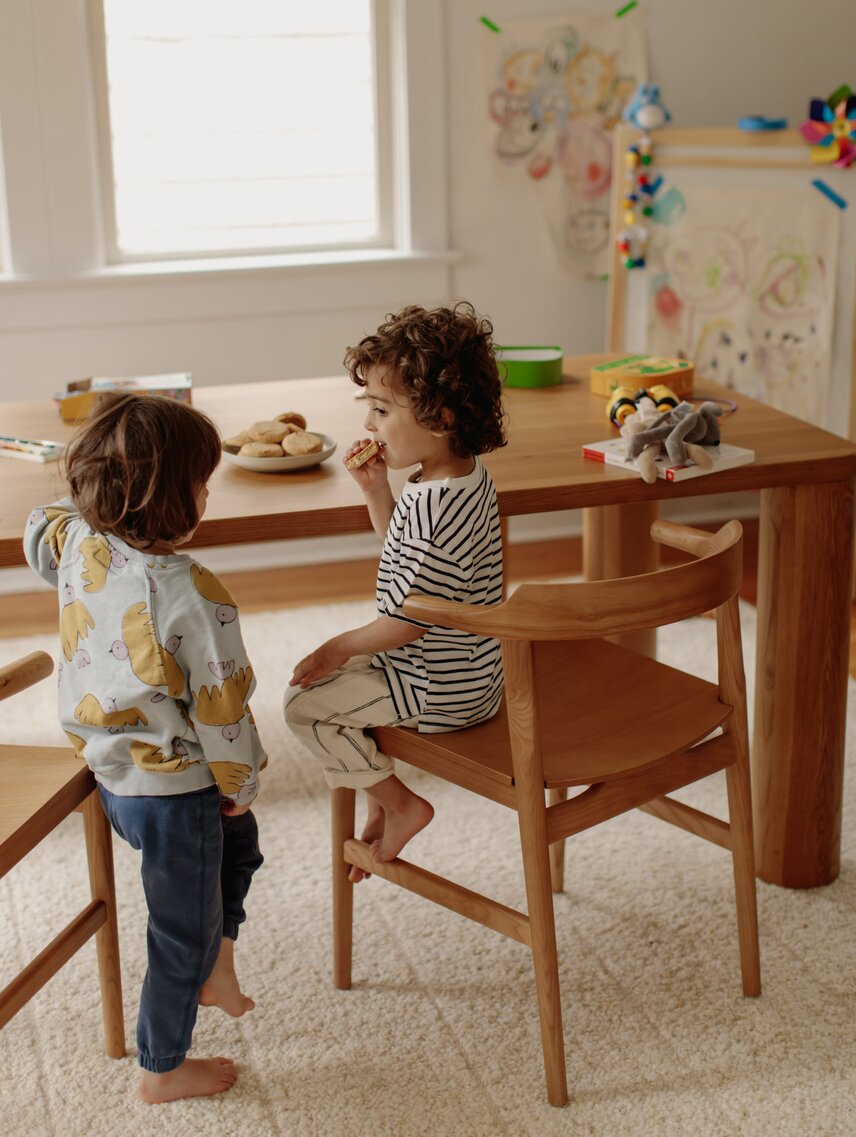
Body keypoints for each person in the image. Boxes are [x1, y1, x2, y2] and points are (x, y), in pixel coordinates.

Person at [23, 392, 266, 1104]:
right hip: (177, 790)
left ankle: (217, 965)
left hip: (111, 774)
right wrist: (239, 782)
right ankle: (162, 1066)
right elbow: (223, 708)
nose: (207, 494)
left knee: (241, 851)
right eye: (203, 482)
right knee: (178, 930)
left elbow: (42, 523)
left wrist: (83, 497)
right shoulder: (192, 593)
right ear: (177, 500)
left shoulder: (79, 544)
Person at [285, 302, 506, 881]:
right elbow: (407, 564)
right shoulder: (457, 478)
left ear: (440, 418)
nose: (369, 426)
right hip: (470, 671)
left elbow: (408, 621)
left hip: (439, 686)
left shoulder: (436, 506)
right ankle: (381, 796)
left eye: (381, 410)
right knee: (332, 690)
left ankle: (403, 803)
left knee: (304, 708)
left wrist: (340, 647)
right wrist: (377, 492)